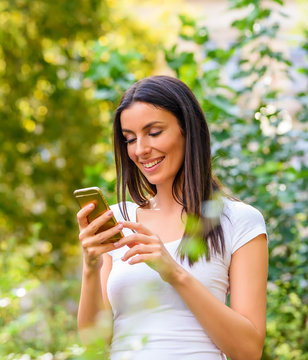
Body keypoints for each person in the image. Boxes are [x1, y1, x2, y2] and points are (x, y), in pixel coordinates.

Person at [76, 76, 268, 360]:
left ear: (187, 130)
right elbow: (95, 344)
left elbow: (248, 351)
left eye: (153, 132)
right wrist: (91, 267)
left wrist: (174, 272)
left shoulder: (238, 221)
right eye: (129, 138)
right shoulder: (119, 220)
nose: (140, 149)